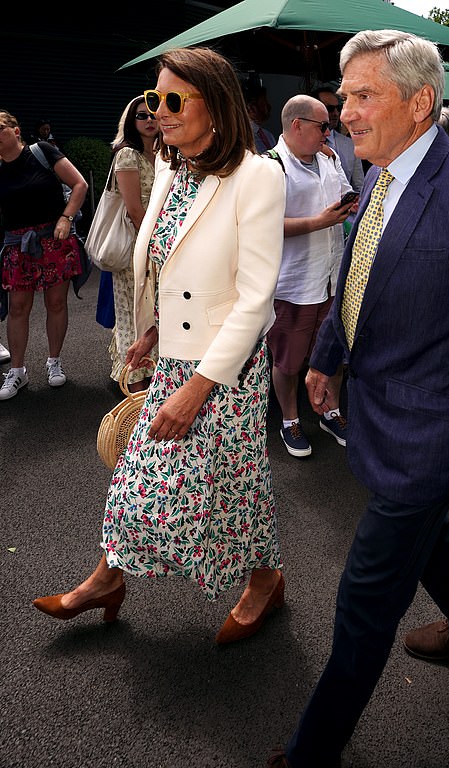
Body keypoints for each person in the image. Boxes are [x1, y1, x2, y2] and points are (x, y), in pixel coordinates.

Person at [225, 29, 449, 768]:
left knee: (364, 599)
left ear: (420, 103)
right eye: (343, 96)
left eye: (362, 94)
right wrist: (327, 355)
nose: (345, 111)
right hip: (379, 411)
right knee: (428, 534)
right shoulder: (375, 174)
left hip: (433, 430)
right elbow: (361, 274)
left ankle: (310, 764)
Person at [31, 46, 287, 646]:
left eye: (174, 100)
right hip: (174, 358)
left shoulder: (258, 177)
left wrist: (197, 389)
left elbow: (255, 300)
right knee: (153, 479)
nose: (159, 111)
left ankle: (263, 579)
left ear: (216, 107)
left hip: (225, 369)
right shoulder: (170, 170)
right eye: (154, 100)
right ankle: (108, 579)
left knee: (223, 484)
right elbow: (170, 270)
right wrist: (153, 332)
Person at [267, 94, 355, 458]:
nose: (329, 130)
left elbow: (342, 196)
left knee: (333, 352)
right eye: (323, 125)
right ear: (297, 125)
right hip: (295, 282)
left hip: (332, 274)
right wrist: (318, 222)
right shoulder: (270, 166)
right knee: (288, 358)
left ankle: (329, 410)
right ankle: (289, 418)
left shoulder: (327, 159)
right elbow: (260, 226)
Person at [0, 110, 88, 401]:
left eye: (1, 129)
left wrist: (66, 217)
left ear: (15, 130)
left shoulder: (42, 151)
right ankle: (17, 370)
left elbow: (79, 184)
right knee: (18, 308)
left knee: (55, 302)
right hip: (16, 244)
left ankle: (54, 361)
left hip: (54, 239)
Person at [106, 95, 159, 392]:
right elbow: (134, 210)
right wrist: (153, 246)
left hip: (163, 248)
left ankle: (155, 383)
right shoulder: (128, 155)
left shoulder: (167, 153)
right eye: (142, 115)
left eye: (153, 114)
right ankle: (135, 389)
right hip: (137, 249)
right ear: (131, 121)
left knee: (156, 314)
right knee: (135, 315)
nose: (150, 120)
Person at [313, 85, 365, 191]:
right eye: (330, 109)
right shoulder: (302, 143)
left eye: (339, 108)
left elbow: (360, 188)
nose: (336, 113)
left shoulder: (350, 144)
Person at [242, 74, 276, 153]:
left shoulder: (268, 136)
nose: (267, 108)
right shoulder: (244, 139)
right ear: (251, 108)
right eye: (263, 104)